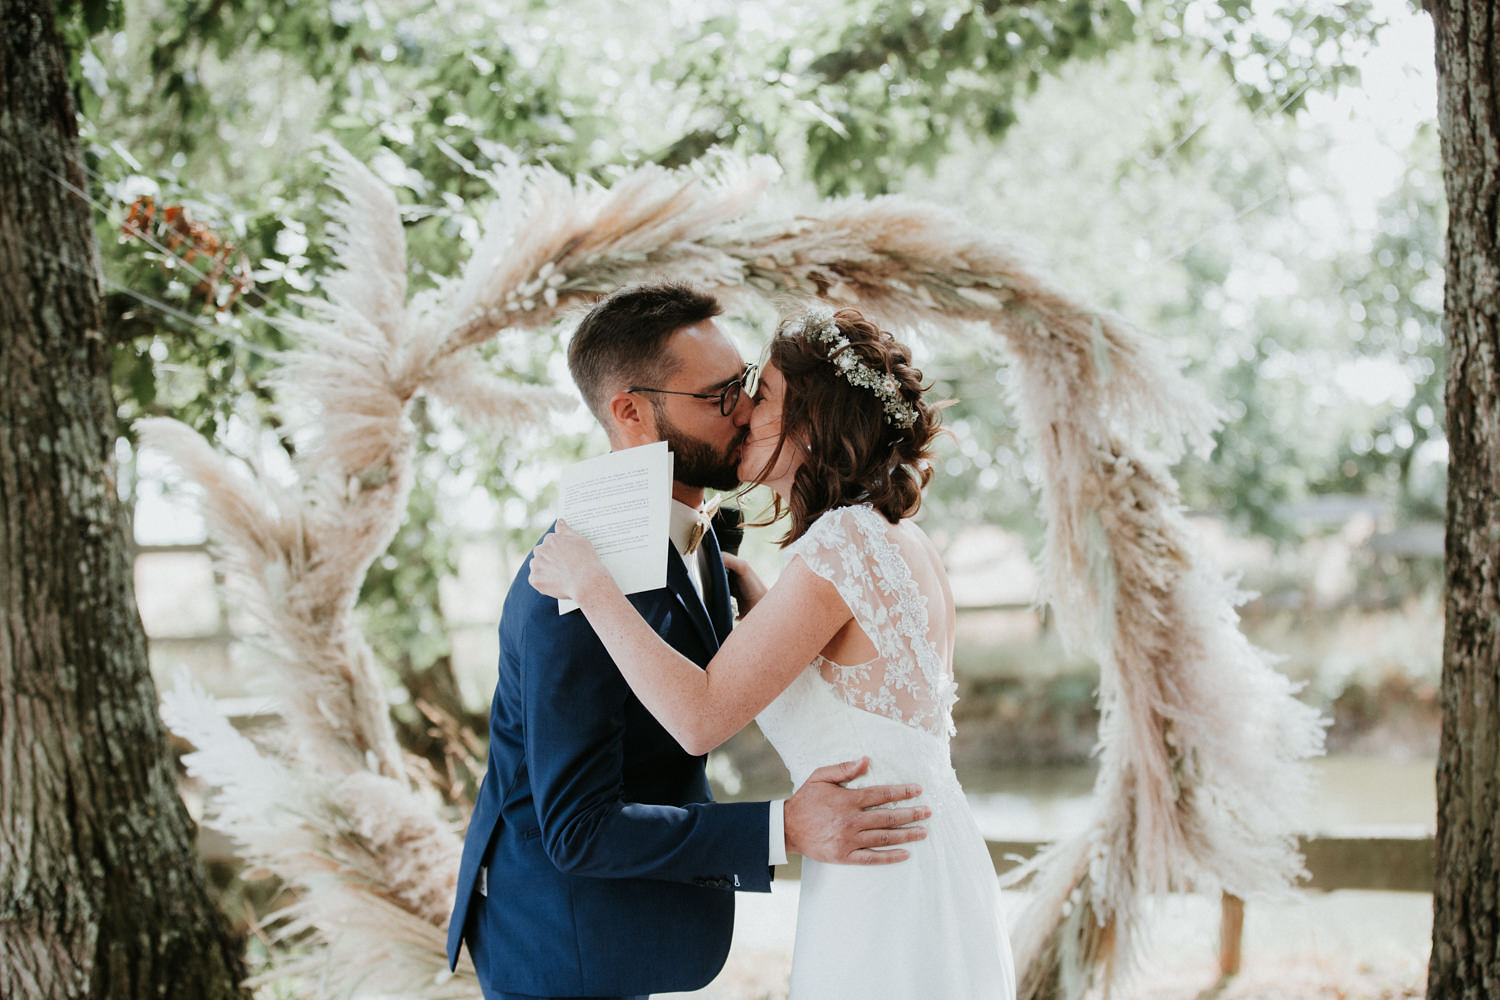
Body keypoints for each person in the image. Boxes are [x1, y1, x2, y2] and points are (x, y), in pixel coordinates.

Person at [447, 284, 933, 1000]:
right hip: (568, 951)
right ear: (632, 412)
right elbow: (577, 829)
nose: (746, 410)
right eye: (718, 396)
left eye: (745, 386)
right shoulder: (573, 585)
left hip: (640, 935)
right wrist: (782, 829)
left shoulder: (710, 550)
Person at [530, 305, 1018, 999]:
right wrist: (761, 600)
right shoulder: (896, 539)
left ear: (812, 426)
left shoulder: (838, 548)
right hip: (928, 856)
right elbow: (856, 689)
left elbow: (699, 717)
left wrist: (593, 586)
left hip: (875, 869)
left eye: (762, 397)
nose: (743, 413)